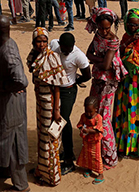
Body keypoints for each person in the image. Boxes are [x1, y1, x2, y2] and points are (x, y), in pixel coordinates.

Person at [0, 16, 30, 192]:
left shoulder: (8, 51)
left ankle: (21, 185)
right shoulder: (6, 45)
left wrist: (0, 87)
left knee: (13, 143)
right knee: (3, 138)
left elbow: (21, 80)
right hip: (1, 103)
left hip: (10, 105)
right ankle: (4, 169)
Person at [85, 8, 127, 169]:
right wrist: (99, 59)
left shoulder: (113, 40)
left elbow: (106, 65)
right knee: (95, 114)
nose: (104, 31)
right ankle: (97, 152)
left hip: (108, 82)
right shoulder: (98, 36)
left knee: (104, 118)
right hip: (98, 79)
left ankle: (110, 156)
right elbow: (89, 53)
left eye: (107, 28)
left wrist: (97, 60)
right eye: (101, 28)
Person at [26, 28, 68, 186]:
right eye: (38, 41)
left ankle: (51, 176)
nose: (41, 44)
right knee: (42, 136)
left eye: (44, 41)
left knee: (49, 139)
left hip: (50, 103)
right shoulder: (34, 55)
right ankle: (41, 169)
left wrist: (56, 110)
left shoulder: (52, 57)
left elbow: (57, 87)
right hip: (40, 102)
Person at [114, 8, 139, 157]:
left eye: (136, 25)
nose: (133, 27)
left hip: (138, 81)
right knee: (126, 110)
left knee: (136, 111)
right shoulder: (127, 36)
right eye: (130, 24)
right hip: (125, 80)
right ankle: (124, 145)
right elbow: (118, 53)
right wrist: (129, 41)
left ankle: (137, 146)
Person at [50, 33, 92, 174]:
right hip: (54, 89)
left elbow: (87, 75)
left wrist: (75, 81)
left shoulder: (78, 56)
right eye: (64, 47)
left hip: (68, 91)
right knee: (54, 119)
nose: (66, 51)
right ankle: (64, 152)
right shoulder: (55, 46)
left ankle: (69, 158)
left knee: (63, 120)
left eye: (69, 48)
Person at [76, 96, 105, 185]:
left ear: (96, 109)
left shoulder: (98, 118)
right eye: (86, 111)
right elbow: (80, 124)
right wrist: (81, 129)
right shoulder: (83, 116)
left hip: (95, 141)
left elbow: (98, 129)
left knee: (96, 157)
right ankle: (89, 168)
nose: (88, 114)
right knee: (87, 154)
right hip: (86, 139)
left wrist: (88, 130)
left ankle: (100, 174)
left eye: (90, 111)